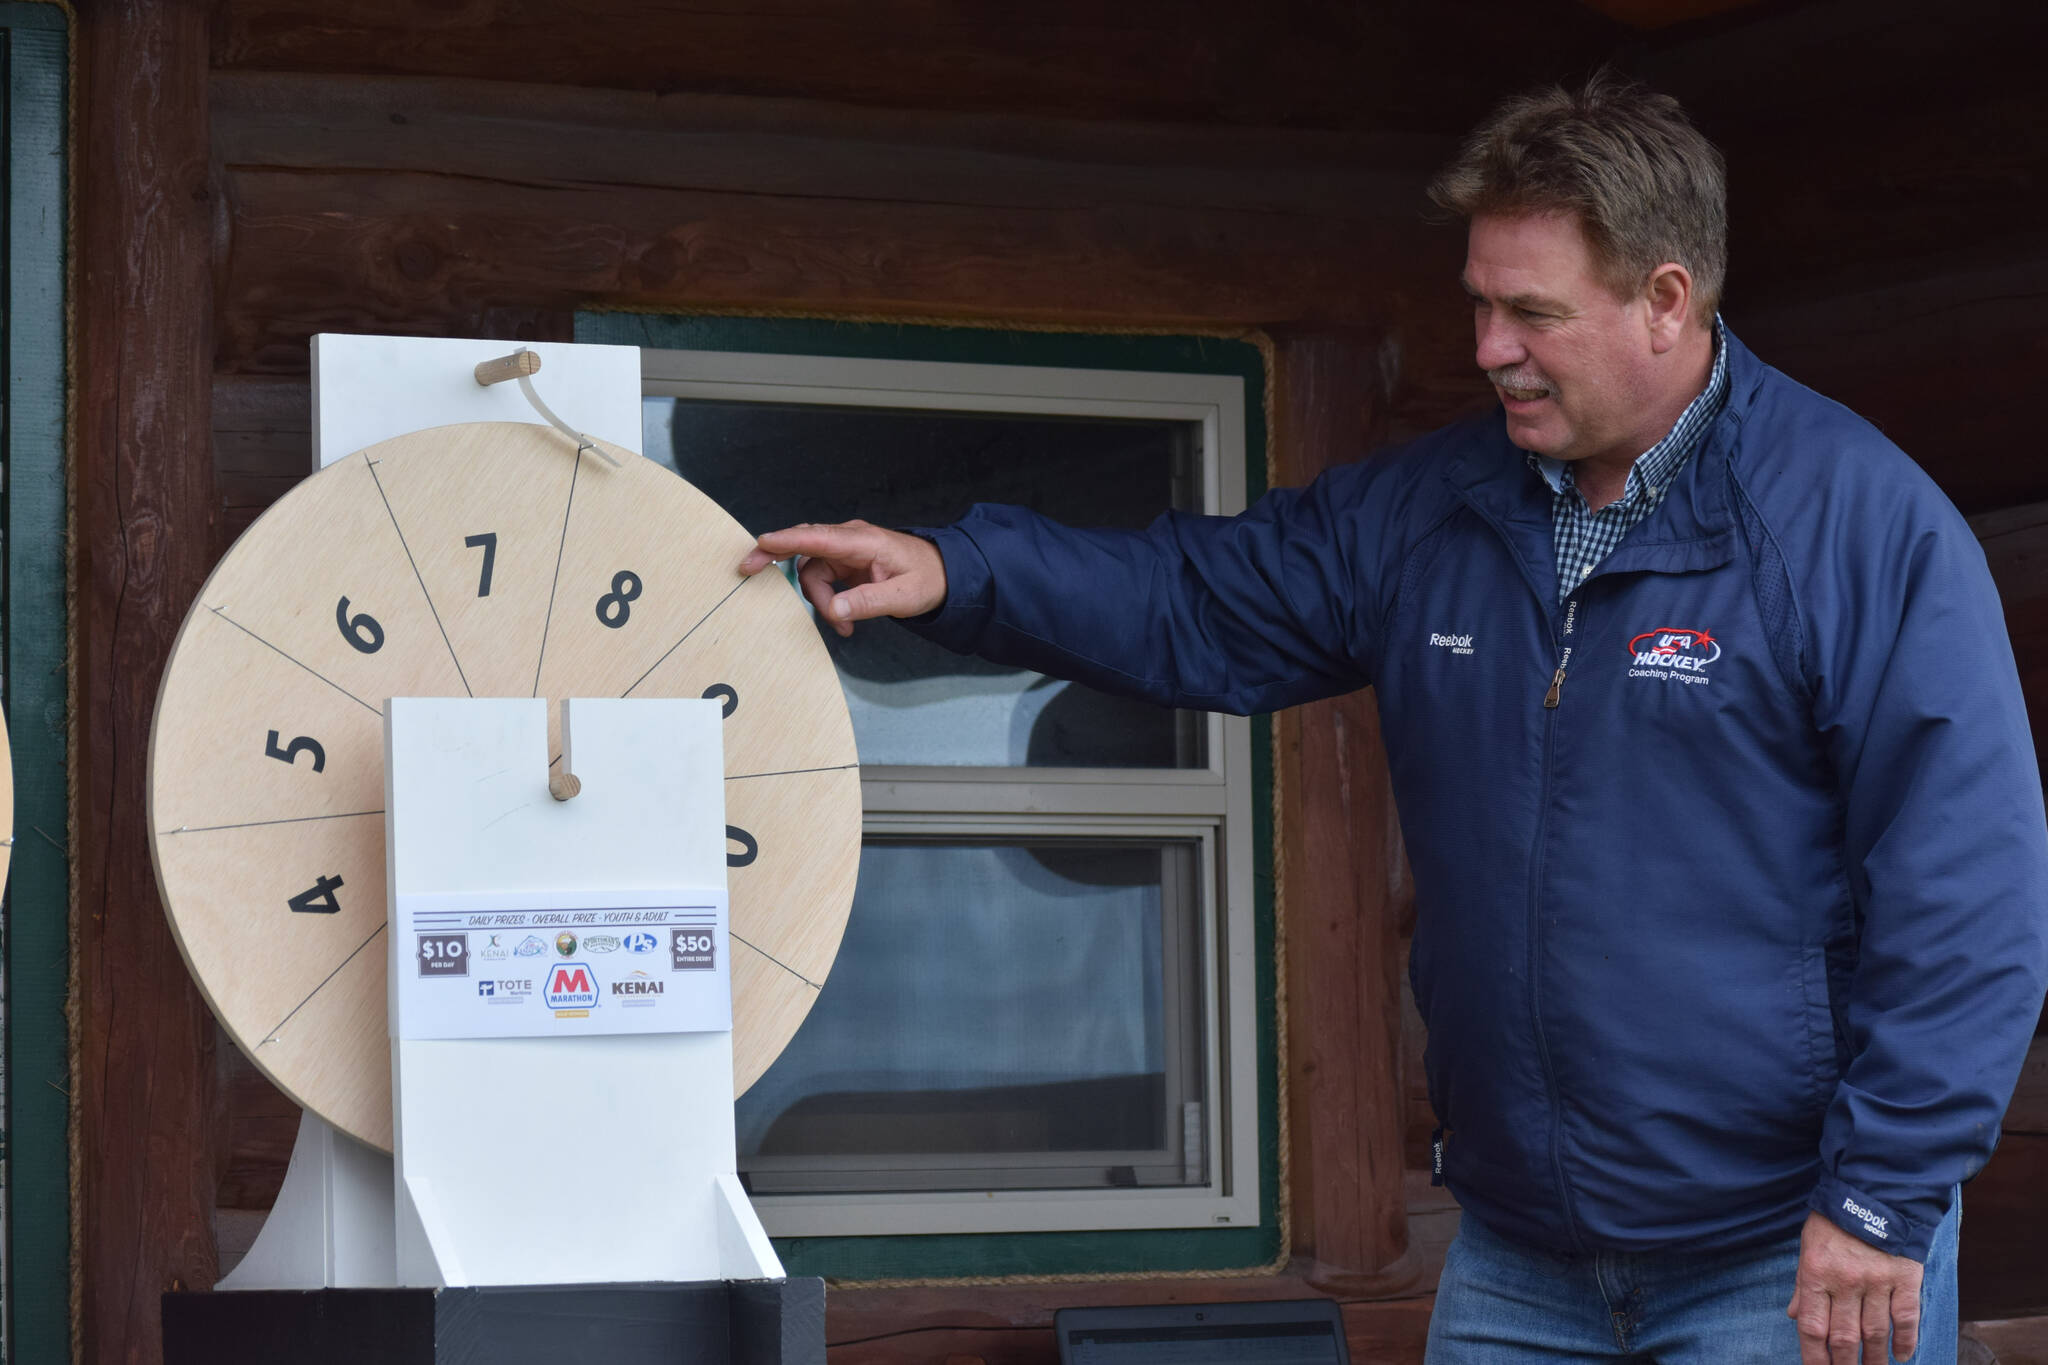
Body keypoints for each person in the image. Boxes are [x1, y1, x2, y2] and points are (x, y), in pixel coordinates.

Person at [738, 73, 2048, 1364]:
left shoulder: (1855, 526)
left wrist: (1880, 1197)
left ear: (1666, 301)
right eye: (1478, 305)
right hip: (1521, 1262)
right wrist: (965, 571)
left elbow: (1971, 891)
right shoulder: (1431, 514)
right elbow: (1198, 594)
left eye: (1530, 313)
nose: (1486, 350)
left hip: (1784, 1255)